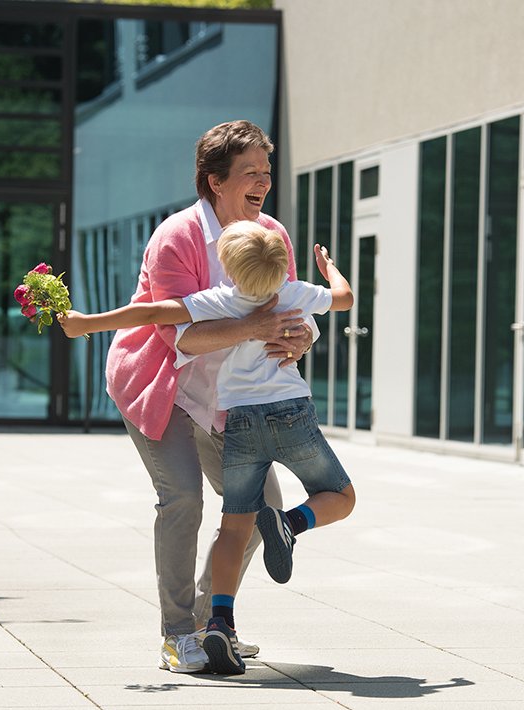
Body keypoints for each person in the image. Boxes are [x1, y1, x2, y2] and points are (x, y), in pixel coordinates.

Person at [59, 221, 357, 675]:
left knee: (234, 529)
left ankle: (219, 624)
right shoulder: (295, 291)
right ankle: (292, 523)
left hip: (238, 424)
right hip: (290, 415)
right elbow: (344, 299)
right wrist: (331, 268)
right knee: (340, 496)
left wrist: (86, 325)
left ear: (231, 272)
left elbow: (150, 314)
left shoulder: (221, 301)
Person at [77, 120, 315, 674]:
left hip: (230, 398)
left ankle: (213, 627)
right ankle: (176, 632)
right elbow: (177, 335)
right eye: (251, 172)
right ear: (215, 181)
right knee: (182, 499)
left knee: (264, 512)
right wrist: (258, 327)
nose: (263, 182)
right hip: (163, 387)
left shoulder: (272, 236)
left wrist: (297, 336)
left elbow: (289, 315)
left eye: (267, 171)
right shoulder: (178, 237)